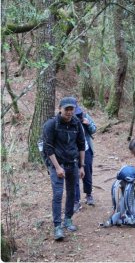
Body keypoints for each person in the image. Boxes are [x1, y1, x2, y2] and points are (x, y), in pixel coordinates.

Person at [42, 96, 86, 241]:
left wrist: (81, 166)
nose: (68, 112)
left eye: (71, 109)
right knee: (58, 194)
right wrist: (57, 167)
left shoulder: (77, 124)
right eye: (66, 108)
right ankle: (57, 226)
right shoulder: (51, 124)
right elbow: (48, 148)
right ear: (60, 109)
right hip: (57, 164)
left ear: (74, 110)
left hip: (72, 163)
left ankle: (68, 219)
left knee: (72, 193)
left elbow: (81, 145)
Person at [73, 104, 97, 211]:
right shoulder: (66, 119)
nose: (78, 117)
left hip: (86, 149)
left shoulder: (85, 115)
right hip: (72, 151)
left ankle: (88, 194)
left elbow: (94, 129)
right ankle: (76, 200)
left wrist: (88, 124)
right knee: (74, 175)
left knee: (87, 171)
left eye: (78, 114)